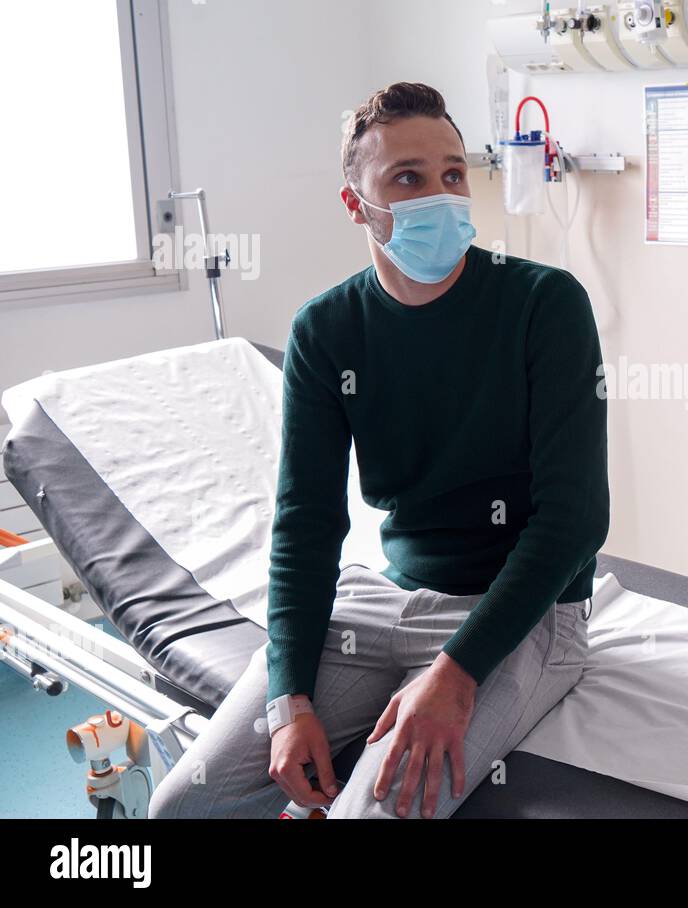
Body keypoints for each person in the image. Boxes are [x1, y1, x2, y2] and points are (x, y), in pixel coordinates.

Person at [150, 82, 609, 819]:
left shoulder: (543, 305)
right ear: (354, 204)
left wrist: (457, 675)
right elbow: (306, 522)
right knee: (183, 808)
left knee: (371, 813)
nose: (442, 195)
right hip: (382, 601)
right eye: (408, 178)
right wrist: (287, 697)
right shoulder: (326, 332)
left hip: (526, 615)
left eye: (453, 174)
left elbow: (576, 519)